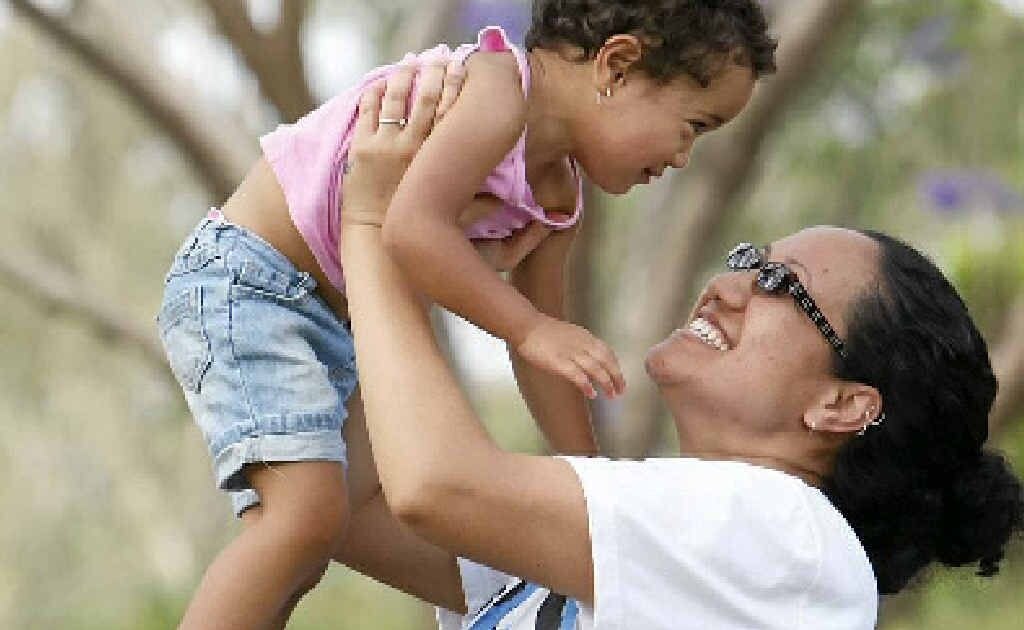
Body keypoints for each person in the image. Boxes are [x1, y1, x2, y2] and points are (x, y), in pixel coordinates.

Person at [335, 64, 1024, 628]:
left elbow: (435, 487)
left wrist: (376, 225)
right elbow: (347, 504)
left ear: (842, 405)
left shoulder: (792, 538)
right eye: (748, 258)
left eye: (779, 282)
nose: (728, 286)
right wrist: (409, 265)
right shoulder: (672, 536)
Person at [157, 2, 777, 627]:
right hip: (249, 277)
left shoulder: (560, 195)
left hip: (330, 313)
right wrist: (531, 330)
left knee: (322, 529)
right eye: (693, 126)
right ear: (616, 66)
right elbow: (411, 228)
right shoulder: (497, 89)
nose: (682, 157)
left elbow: (544, 355)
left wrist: (594, 487)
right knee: (303, 518)